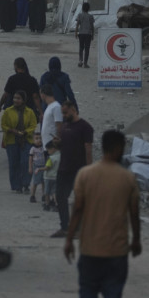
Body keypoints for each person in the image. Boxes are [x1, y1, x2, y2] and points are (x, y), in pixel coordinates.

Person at [64, 129, 141, 298]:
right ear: (117, 148)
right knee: (113, 296)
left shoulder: (86, 174)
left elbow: (77, 210)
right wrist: (136, 240)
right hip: (117, 251)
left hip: (90, 248)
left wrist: (69, 240)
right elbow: (134, 213)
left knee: (87, 292)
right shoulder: (127, 178)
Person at [53, 100, 93, 238]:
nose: (63, 115)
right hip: (63, 168)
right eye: (62, 113)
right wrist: (57, 144)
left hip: (79, 170)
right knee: (60, 197)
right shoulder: (64, 127)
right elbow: (62, 146)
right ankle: (64, 227)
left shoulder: (85, 127)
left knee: (79, 200)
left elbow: (88, 149)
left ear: (73, 110)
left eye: (65, 112)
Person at [0, 91, 37, 194]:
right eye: (15, 98)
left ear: (24, 100)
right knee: (14, 163)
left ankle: (25, 184)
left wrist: (25, 132)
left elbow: (33, 126)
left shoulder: (30, 112)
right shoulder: (8, 111)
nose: (15, 100)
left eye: (18, 98)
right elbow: (3, 125)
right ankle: (16, 186)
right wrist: (12, 130)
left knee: (26, 162)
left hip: (26, 140)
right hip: (11, 140)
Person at [28, 132, 47, 204]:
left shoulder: (43, 147)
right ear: (33, 140)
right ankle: (32, 195)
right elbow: (30, 159)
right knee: (35, 182)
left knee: (43, 181)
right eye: (36, 139)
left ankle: (44, 195)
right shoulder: (32, 149)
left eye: (40, 138)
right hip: (36, 166)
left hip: (43, 166)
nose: (39, 140)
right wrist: (30, 167)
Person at [76, 2, 96, 68]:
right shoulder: (90, 16)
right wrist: (93, 34)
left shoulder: (80, 15)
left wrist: (76, 32)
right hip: (88, 34)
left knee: (81, 48)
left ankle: (80, 61)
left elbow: (77, 25)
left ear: (82, 8)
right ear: (89, 9)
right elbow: (92, 26)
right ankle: (85, 63)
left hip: (81, 34)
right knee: (87, 49)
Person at [43, 139, 60, 210]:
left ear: (53, 149)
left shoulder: (51, 158)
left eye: (48, 150)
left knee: (46, 192)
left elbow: (47, 167)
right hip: (56, 177)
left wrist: (39, 169)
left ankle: (47, 204)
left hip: (48, 177)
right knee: (54, 192)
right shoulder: (60, 155)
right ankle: (57, 204)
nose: (48, 152)